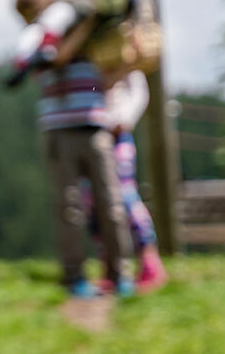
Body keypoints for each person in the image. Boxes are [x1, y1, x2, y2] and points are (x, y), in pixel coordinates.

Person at [14, 0, 134, 299]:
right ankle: (75, 276)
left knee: (111, 203)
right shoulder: (41, 40)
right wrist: (87, 23)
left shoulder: (88, 36)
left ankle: (119, 273)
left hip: (95, 125)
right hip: (60, 128)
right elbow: (57, 59)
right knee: (70, 206)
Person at [96, 71, 166, 293]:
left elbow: (138, 92)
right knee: (93, 201)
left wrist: (123, 119)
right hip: (91, 129)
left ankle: (149, 261)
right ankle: (113, 266)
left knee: (125, 195)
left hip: (117, 134)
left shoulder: (125, 54)